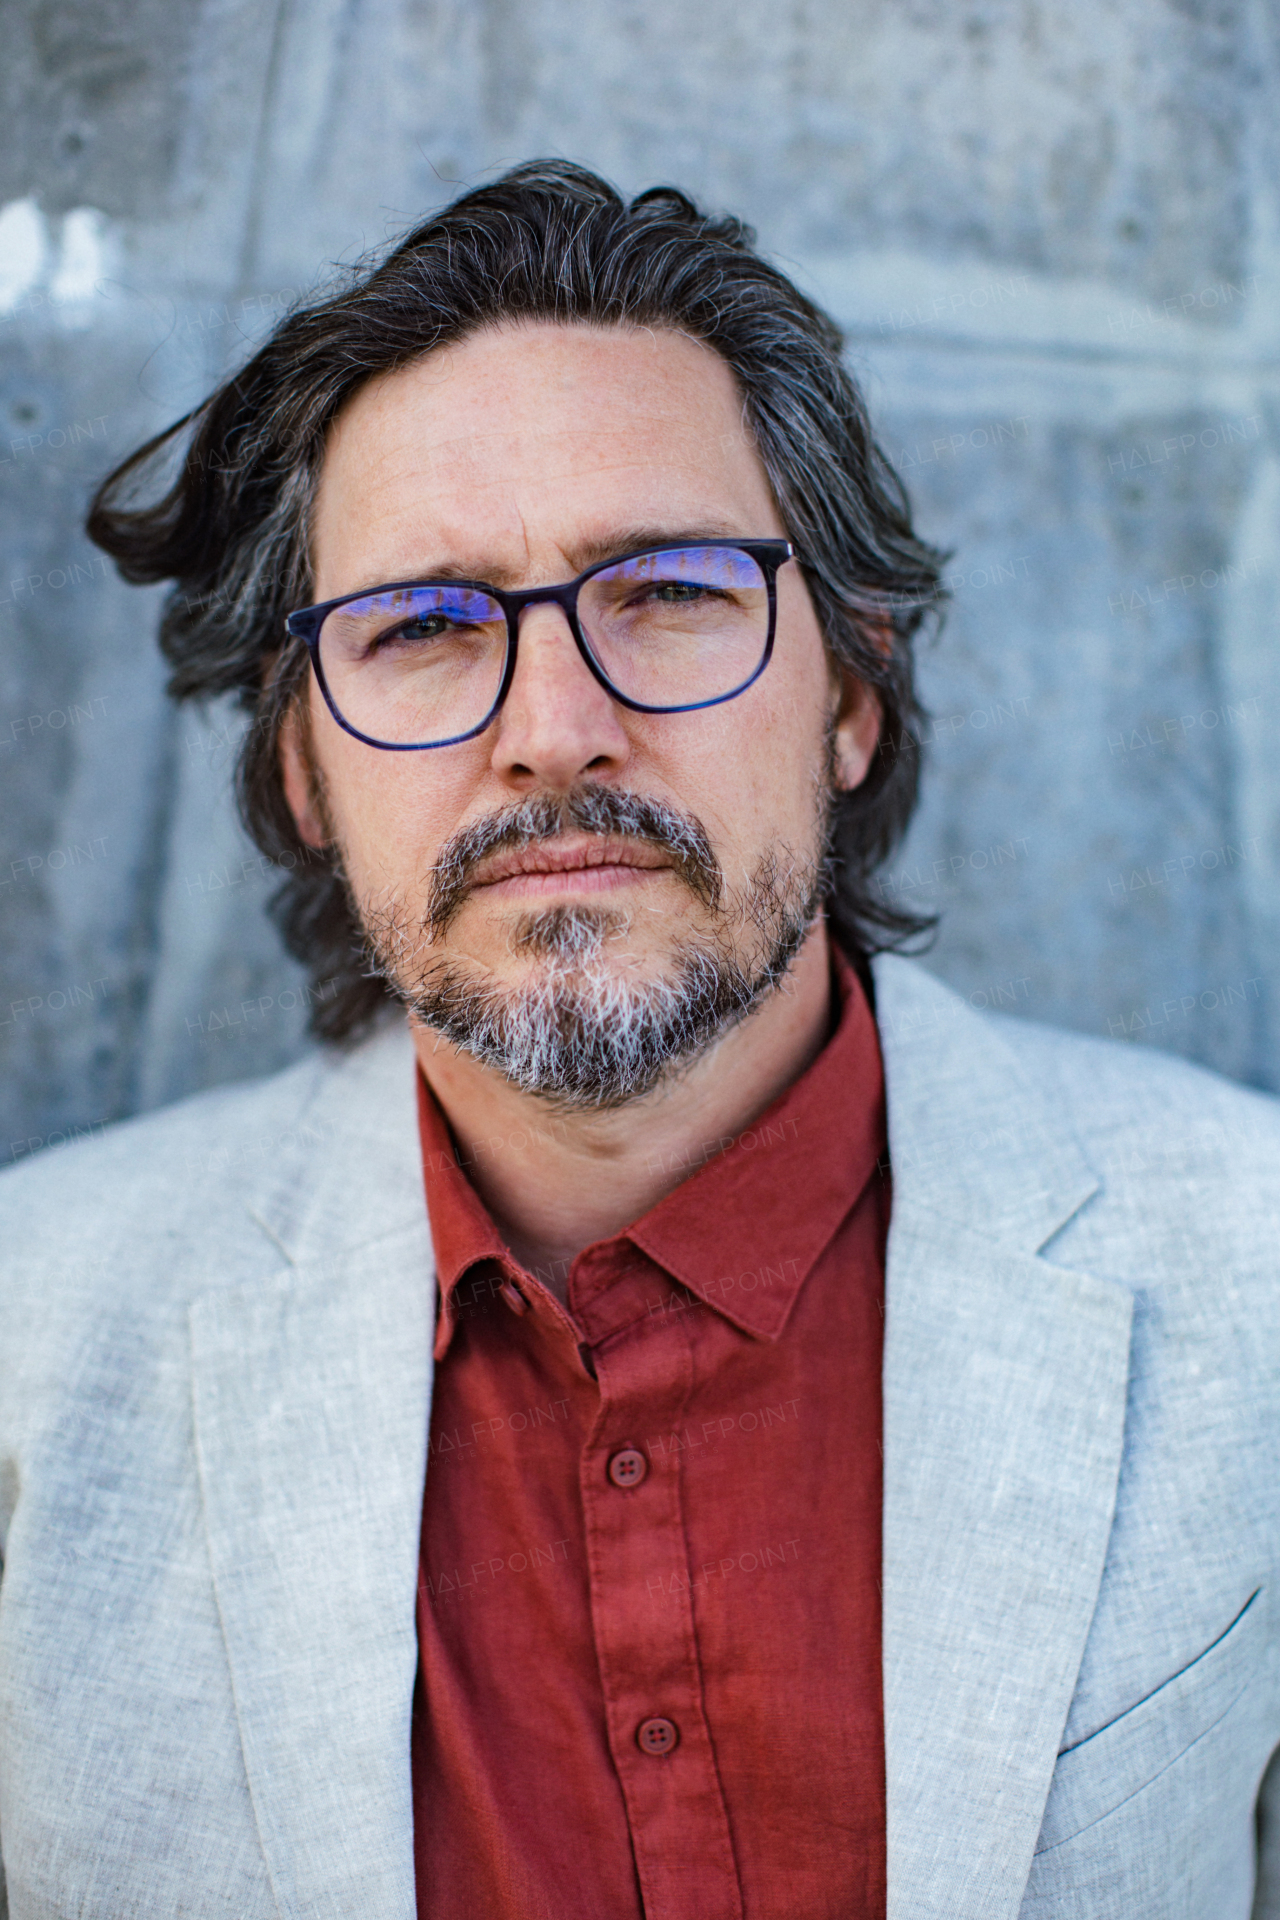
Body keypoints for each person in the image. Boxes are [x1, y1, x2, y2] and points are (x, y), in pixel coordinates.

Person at [0, 160, 1276, 1920]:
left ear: (848, 692)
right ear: (303, 770)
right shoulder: (30, 1335)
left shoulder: (1251, 1263)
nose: (554, 730)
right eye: (427, 626)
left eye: (668, 589)